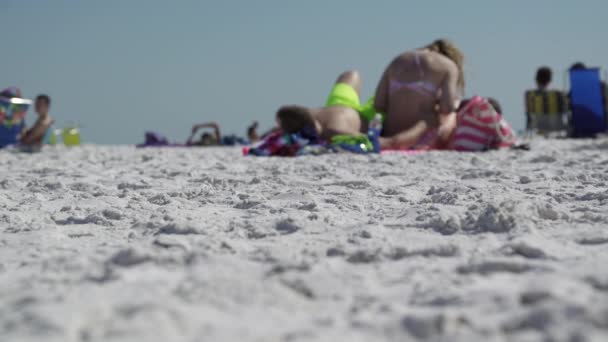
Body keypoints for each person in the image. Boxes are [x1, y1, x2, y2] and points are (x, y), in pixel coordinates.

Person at [373, 39, 465, 149]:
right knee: (441, 115)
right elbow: (447, 108)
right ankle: (396, 142)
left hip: (389, 130)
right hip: (416, 135)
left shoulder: (398, 59)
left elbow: (379, 103)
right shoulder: (448, 65)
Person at [276, 70, 374, 140]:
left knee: (351, 74)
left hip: (337, 105)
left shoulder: (331, 128)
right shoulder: (335, 129)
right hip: (366, 115)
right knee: (387, 90)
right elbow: (374, 141)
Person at [524, 66, 568, 133]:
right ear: (550, 79)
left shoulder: (529, 95)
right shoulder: (559, 94)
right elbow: (566, 111)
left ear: (536, 79)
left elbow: (528, 117)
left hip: (538, 130)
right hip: (558, 129)